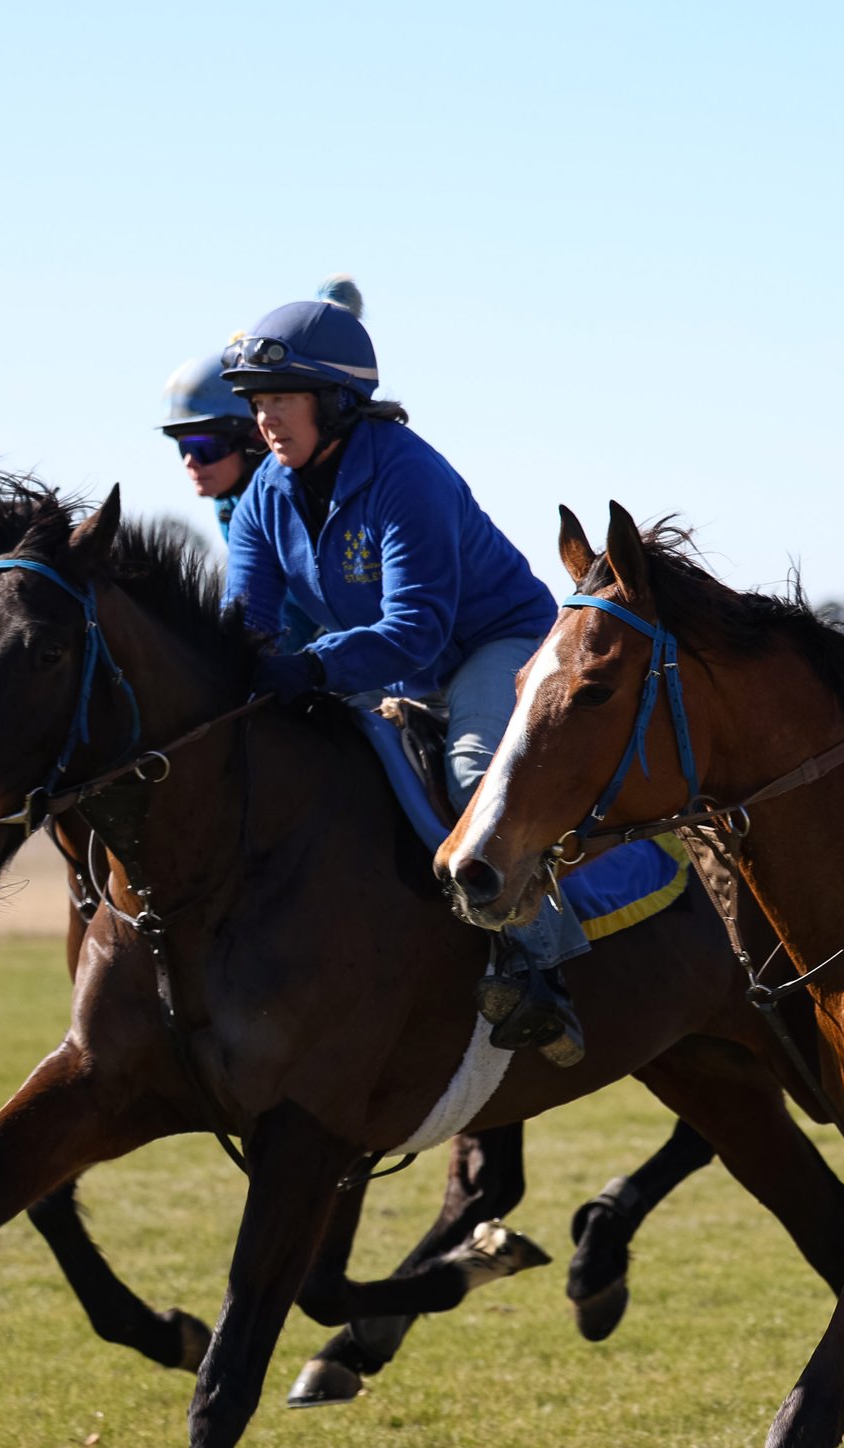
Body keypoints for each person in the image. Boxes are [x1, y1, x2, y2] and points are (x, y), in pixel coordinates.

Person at [221, 278, 591, 1062]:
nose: (266, 416)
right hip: (392, 665)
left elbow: (416, 629)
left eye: (286, 395)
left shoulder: (408, 472)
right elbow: (245, 625)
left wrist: (308, 667)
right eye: (258, 399)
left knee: (471, 776)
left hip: (497, 645)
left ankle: (545, 968)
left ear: (339, 403)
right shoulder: (263, 495)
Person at [160, 349, 264, 535]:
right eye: (184, 448)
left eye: (203, 448)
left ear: (255, 441)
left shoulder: (296, 501)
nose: (190, 462)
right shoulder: (226, 506)